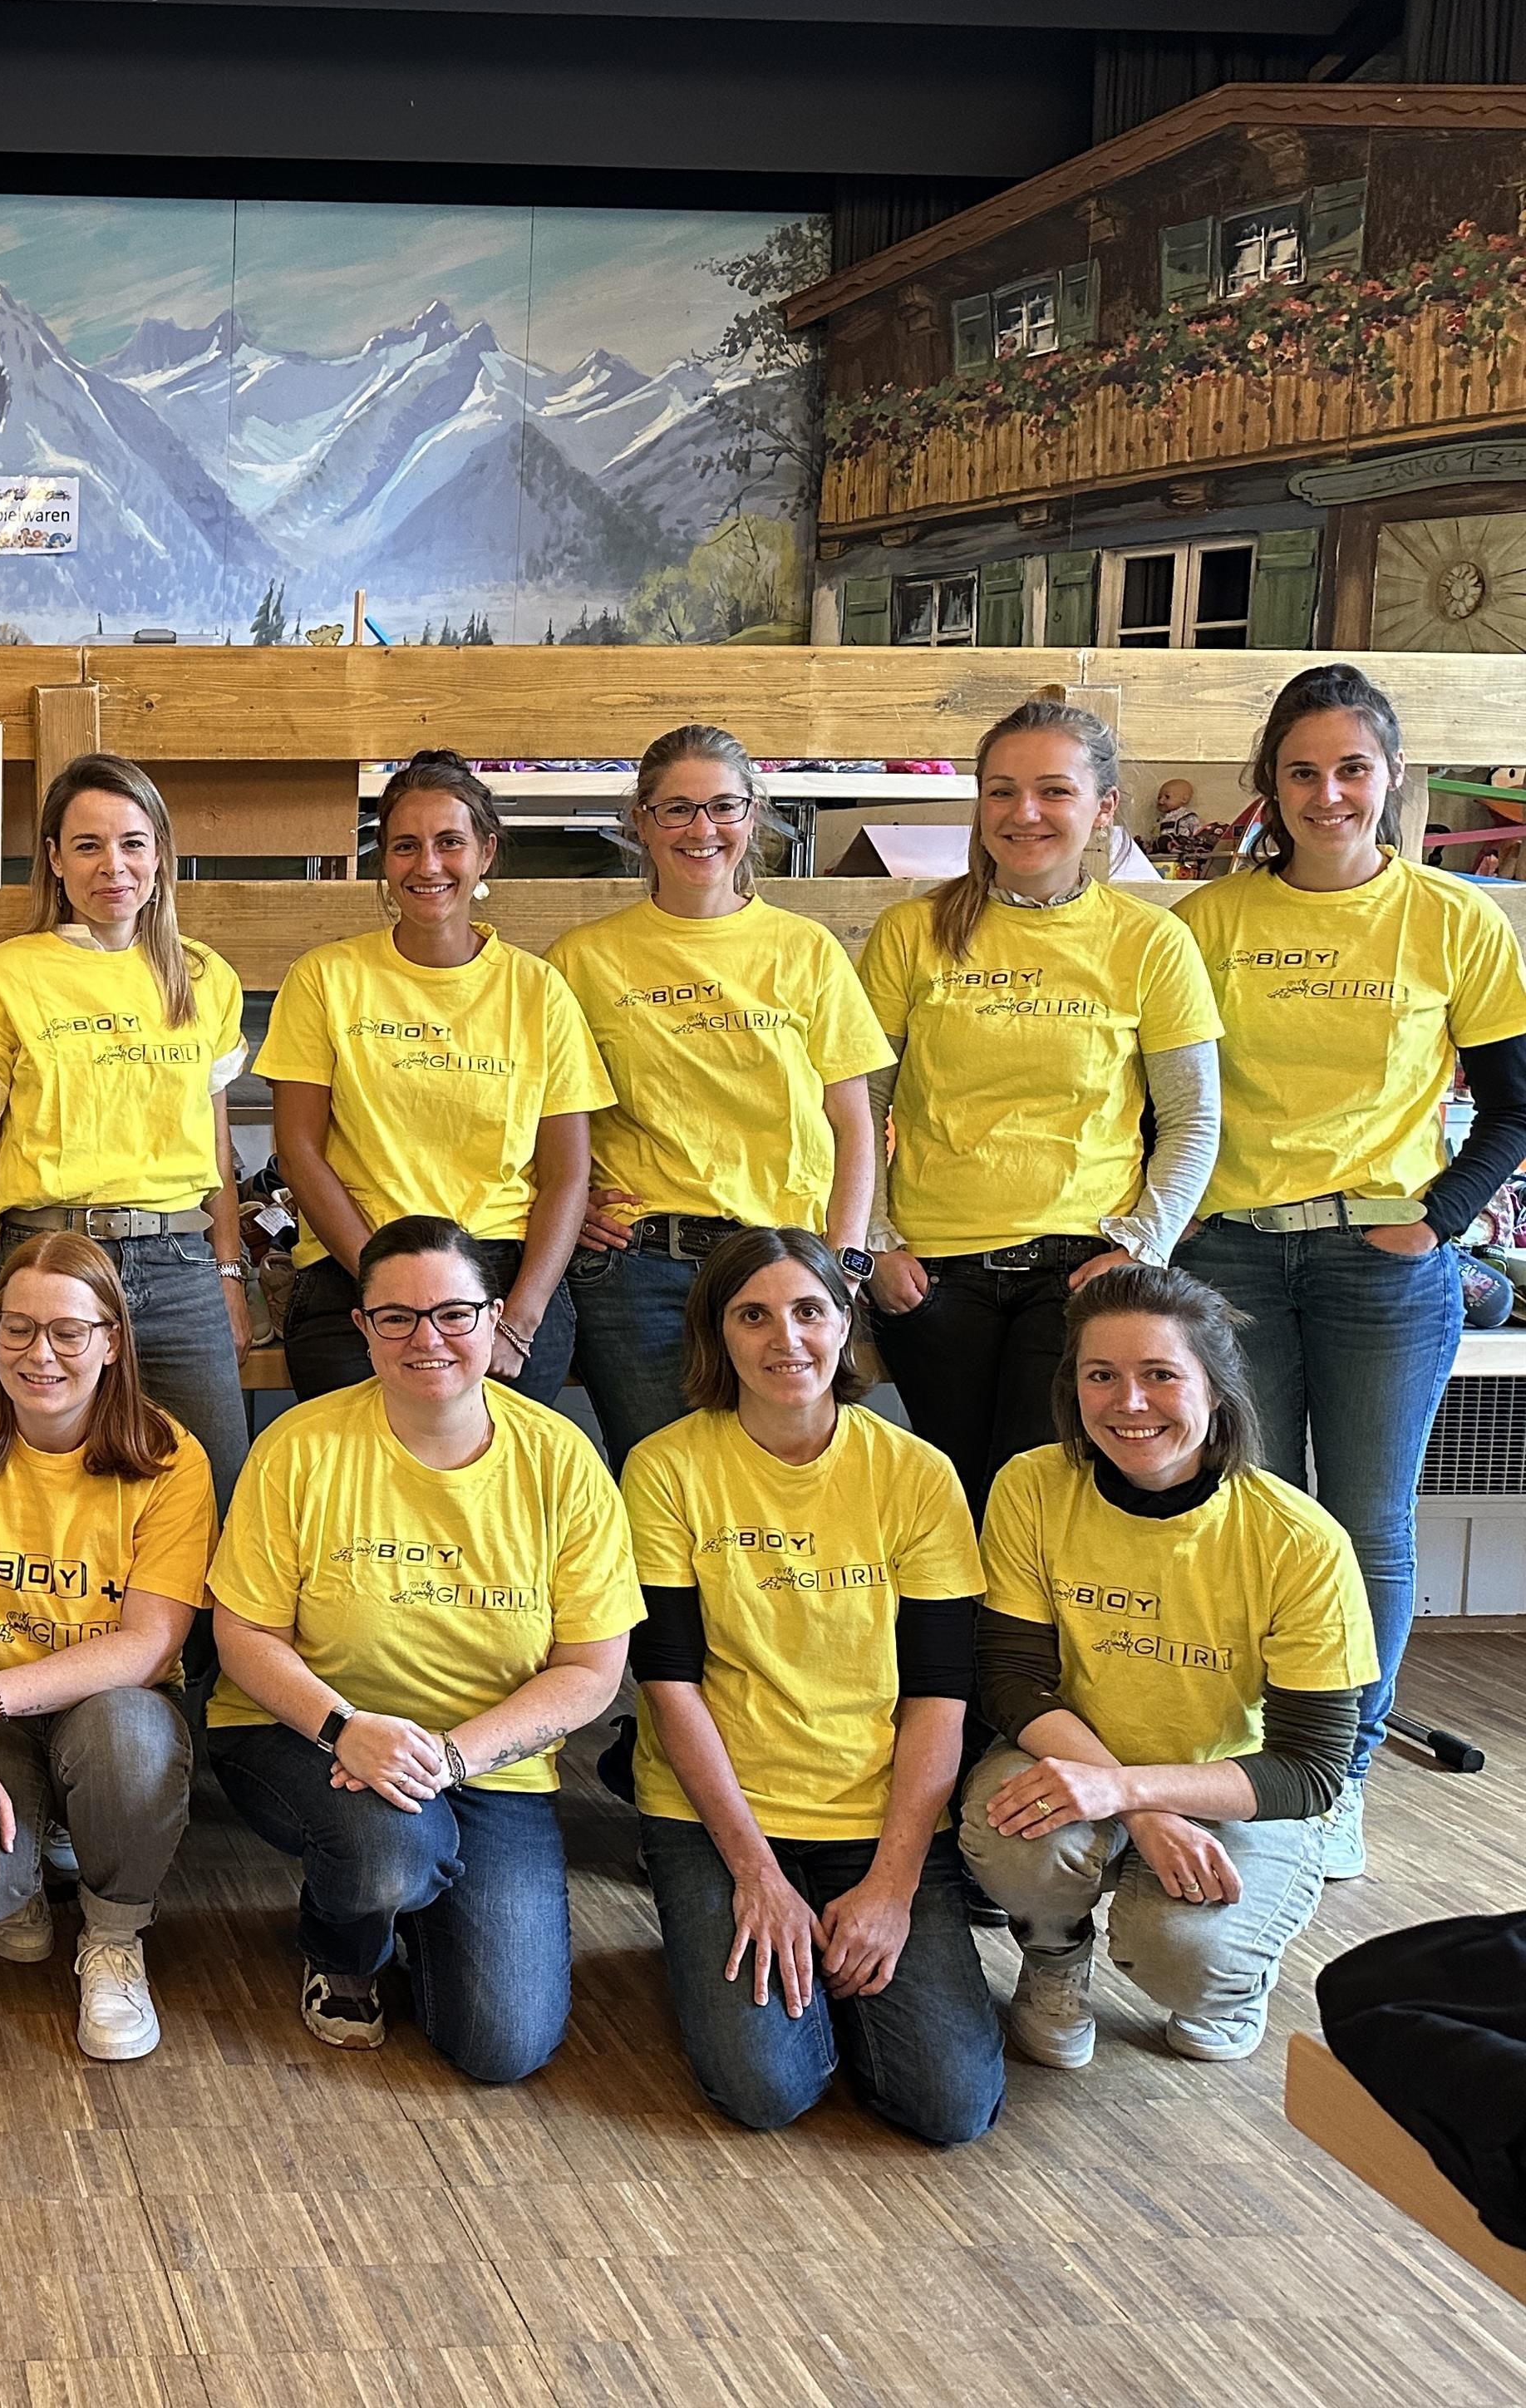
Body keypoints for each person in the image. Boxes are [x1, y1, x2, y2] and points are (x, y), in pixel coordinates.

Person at [1174, 665, 1526, 1879]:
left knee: (1366, 1528)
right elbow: (1159, 1095)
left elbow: (1516, 1106)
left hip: (1383, 1263)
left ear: (1391, 779)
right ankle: (1262, 1758)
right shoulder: (1209, 924)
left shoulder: (1453, 920)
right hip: (1230, 1259)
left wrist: (1442, 1221)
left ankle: (1343, 1776)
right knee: (1258, 1524)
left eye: (1352, 769)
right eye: (1303, 772)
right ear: (1268, 787)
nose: (1329, 794)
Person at [206, 1214, 639, 2070]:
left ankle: (418, 1881)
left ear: (495, 1319)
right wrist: (346, 1732)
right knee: (388, 1856)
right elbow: (243, 1634)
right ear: (362, 1330)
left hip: (483, 1760)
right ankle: (344, 1947)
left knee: (502, 2047)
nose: (426, 1337)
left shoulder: (560, 1460)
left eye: (453, 1313)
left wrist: (446, 1758)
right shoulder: (298, 1448)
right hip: (303, 1734)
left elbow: (591, 1671)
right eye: (395, 1317)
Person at [624, 1229, 1002, 2147]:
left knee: (949, 2107)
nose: (783, 1339)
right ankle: (727, 1932)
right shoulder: (665, 1467)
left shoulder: (915, 1473)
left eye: (807, 1311)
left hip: (877, 1816)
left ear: (845, 1323)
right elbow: (668, 1683)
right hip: (719, 1818)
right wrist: (753, 1874)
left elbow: (940, 1693)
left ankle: (829, 1964)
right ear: (717, 1336)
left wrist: (892, 1884)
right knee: (765, 2091)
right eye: (751, 1315)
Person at [963, 1265, 1377, 2070]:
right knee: (1010, 1839)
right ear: (1072, 1387)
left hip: (1226, 1786)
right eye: (1101, 1376)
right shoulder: (1031, 1486)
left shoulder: (1298, 1539)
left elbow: (1311, 1767)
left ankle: (1231, 1983)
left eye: (1159, 1375)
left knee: (1185, 1958)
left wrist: (1130, 1795)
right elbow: (1012, 1679)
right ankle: (1052, 1958)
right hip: (1075, 1757)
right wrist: (1130, 1803)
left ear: (1215, 1389)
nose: (1128, 1402)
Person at [857, 695, 1223, 1515]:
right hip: (930, 1278)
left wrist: (1142, 1247)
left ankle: (1020, 1652)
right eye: (1000, 791)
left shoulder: (1149, 941)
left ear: (1103, 808)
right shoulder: (909, 932)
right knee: (950, 1504)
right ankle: (952, 1651)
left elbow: (1193, 1119)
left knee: (1036, 1503)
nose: (1024, 813)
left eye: (1054, 791)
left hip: (1081, 1271)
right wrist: (874, 1244)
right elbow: (848, 1107)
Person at [0, 1232, 213, 2061]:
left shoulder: (170, 1459)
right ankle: (22, 1870)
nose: (40, 1354)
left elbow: (147, 1645)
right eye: (17, 1329)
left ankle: (112, 1934)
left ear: (110, 1342)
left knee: (126, 1737)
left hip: (103, 1708)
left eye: (69, 1332)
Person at [552, 730, 891, 1469]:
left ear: (753, 814)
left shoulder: (806, 949)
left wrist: (846, 1257)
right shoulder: (581, 960)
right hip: (638, 1269)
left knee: (779, 1475)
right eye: (675, 809)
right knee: (661, 1482)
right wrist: (565, 1206)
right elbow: (541, 1115)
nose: (701, 830)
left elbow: (851, 1119)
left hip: (785, 1263)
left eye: (722, 807)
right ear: (639, 821)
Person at [0, 753, 251, 1510]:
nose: (114, 866)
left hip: (179, 1268)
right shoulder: (3, 976)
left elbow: (216, 1148)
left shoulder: (205, 977)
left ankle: (202, 1639)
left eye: (133, 843)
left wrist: (231, 1276)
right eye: (88, 845)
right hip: (47, 1261)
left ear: (160, 855)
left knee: (218, 1497)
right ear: (53, 858)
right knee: (52, 1498)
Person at [266, 753, 610, 1409]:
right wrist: (387, 1291)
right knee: (362, 1494)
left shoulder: (538, 991)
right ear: (384, 860)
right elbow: (300, 1152)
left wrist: (521, 1317)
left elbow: (568, 1174)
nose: (427, 866)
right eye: (405, 846)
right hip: (355, 1268)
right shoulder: (325, 978)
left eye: (449, 842)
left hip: (504, 1274)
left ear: (486, 852)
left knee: (494, 1495)